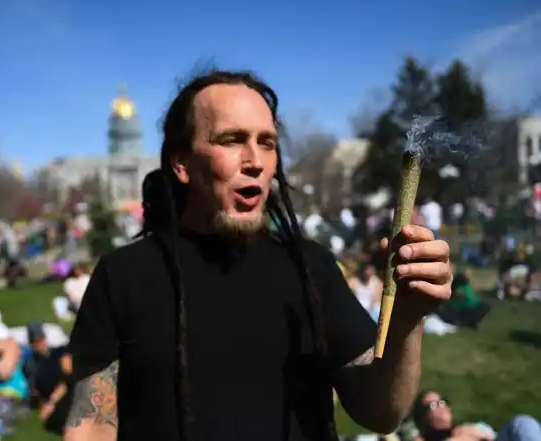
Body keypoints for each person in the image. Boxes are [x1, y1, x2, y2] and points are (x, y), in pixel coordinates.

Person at [64, 69, 453, 441]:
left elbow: (381, 413)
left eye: (266, 142)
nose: (255, 160)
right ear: (182, 163)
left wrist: (405, 322)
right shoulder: (122, 276)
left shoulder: (310, 268)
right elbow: (93, 425)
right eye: (232, 140)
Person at [411, 390, 541, 441]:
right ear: (422, 419)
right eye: (433, 405)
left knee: (522, 423)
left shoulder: (468, 427)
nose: (441, 406)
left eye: (442, 402)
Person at [24, 322, 73, 435]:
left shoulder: (60, 352)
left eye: (40, 340)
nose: (38, 344)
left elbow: (67, 380)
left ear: (44, 338)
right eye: (34, 342)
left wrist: (52, 402)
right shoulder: (30, 364)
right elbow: (35, 391)